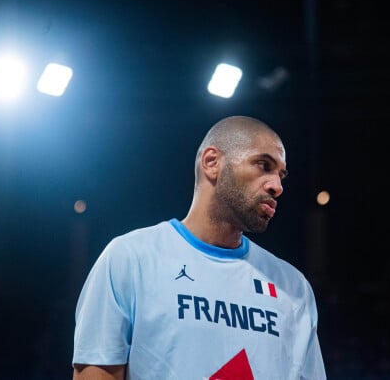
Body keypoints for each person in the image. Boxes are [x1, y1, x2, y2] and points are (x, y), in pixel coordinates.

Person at [72, 115, 327, 379]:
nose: (277, 186)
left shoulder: (293, 288)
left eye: (281, 175)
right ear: (212, 163)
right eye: (263, 165)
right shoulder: (131, 258)